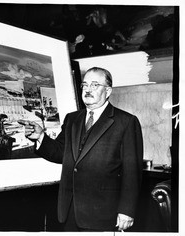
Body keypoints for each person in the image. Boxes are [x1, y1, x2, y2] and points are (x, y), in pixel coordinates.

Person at [18, 67, 143, 232]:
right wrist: (40, 137)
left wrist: (127, 210)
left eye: (95, 85)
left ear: (108, 91)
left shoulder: (126, 122)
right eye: (85, 85)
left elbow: (132, 171)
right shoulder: (72, 119)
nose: (88, 90)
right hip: (69, 211)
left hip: (103, 213)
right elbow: (61, 152)